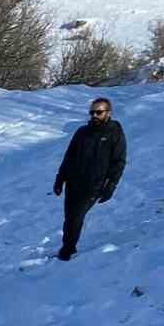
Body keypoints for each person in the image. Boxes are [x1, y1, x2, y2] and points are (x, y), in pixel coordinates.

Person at [54, 96, 127, 261]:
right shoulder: (82, 132)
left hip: (94, 185)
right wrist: (60, 179)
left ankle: (67, 251)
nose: (94, 115)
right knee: (70, 217)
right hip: (73, 182)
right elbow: (69, 157)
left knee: (76, 216)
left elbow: (119, 162)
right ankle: (68, 246)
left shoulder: (115, 133)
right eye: (92, 112)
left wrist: (111, 186)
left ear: (108, 113)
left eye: (99, 112)